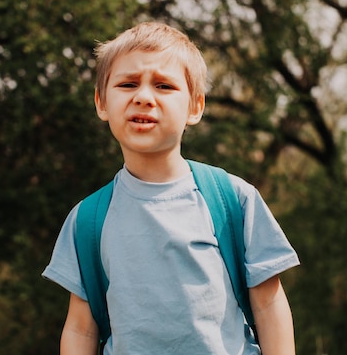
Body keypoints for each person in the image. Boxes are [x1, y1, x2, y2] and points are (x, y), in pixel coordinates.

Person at [42, 22, 300, 355]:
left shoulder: (232, 199)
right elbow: (80, 328)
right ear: (101, 102)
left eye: (164, 86)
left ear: (196, 106)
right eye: (127, 83)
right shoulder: (88, 220)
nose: (144, 97)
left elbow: (268, 305)